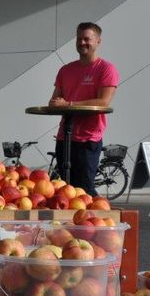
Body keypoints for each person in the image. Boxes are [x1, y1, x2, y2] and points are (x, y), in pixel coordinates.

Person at [48, 22, 119, 196]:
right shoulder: (65, 70)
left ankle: (93, 221)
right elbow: (54, 101)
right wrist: (58, 103)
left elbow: (104, 102)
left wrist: (69, 104)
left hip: (88, 139)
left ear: (98, 42)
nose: (82, 42)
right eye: (79, 39)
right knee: (63, 191)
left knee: (84, 191)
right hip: (65, 137)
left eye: (87, 39)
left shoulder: (106, 69)